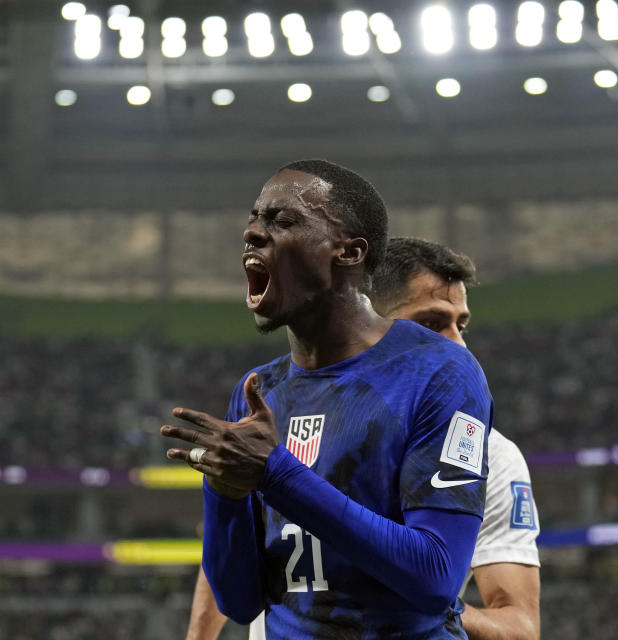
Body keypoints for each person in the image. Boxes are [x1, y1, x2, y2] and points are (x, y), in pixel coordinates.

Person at [162, 160, 493, 638]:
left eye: (282, 220)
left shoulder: (439, 372)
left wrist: (276, 473)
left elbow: (436, 577)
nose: (253, 233)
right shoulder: (259, 391)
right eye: (255, 219)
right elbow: (240, 601)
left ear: (349, 251)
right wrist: (225, 495)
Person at [183, 237, 541, 640]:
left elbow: (519, 627)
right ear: (369, 315)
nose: (457, 342)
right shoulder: (272, 408)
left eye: (461, 324)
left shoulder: (491, 453)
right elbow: (235, 542)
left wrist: (421, 596)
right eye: (431, 323)